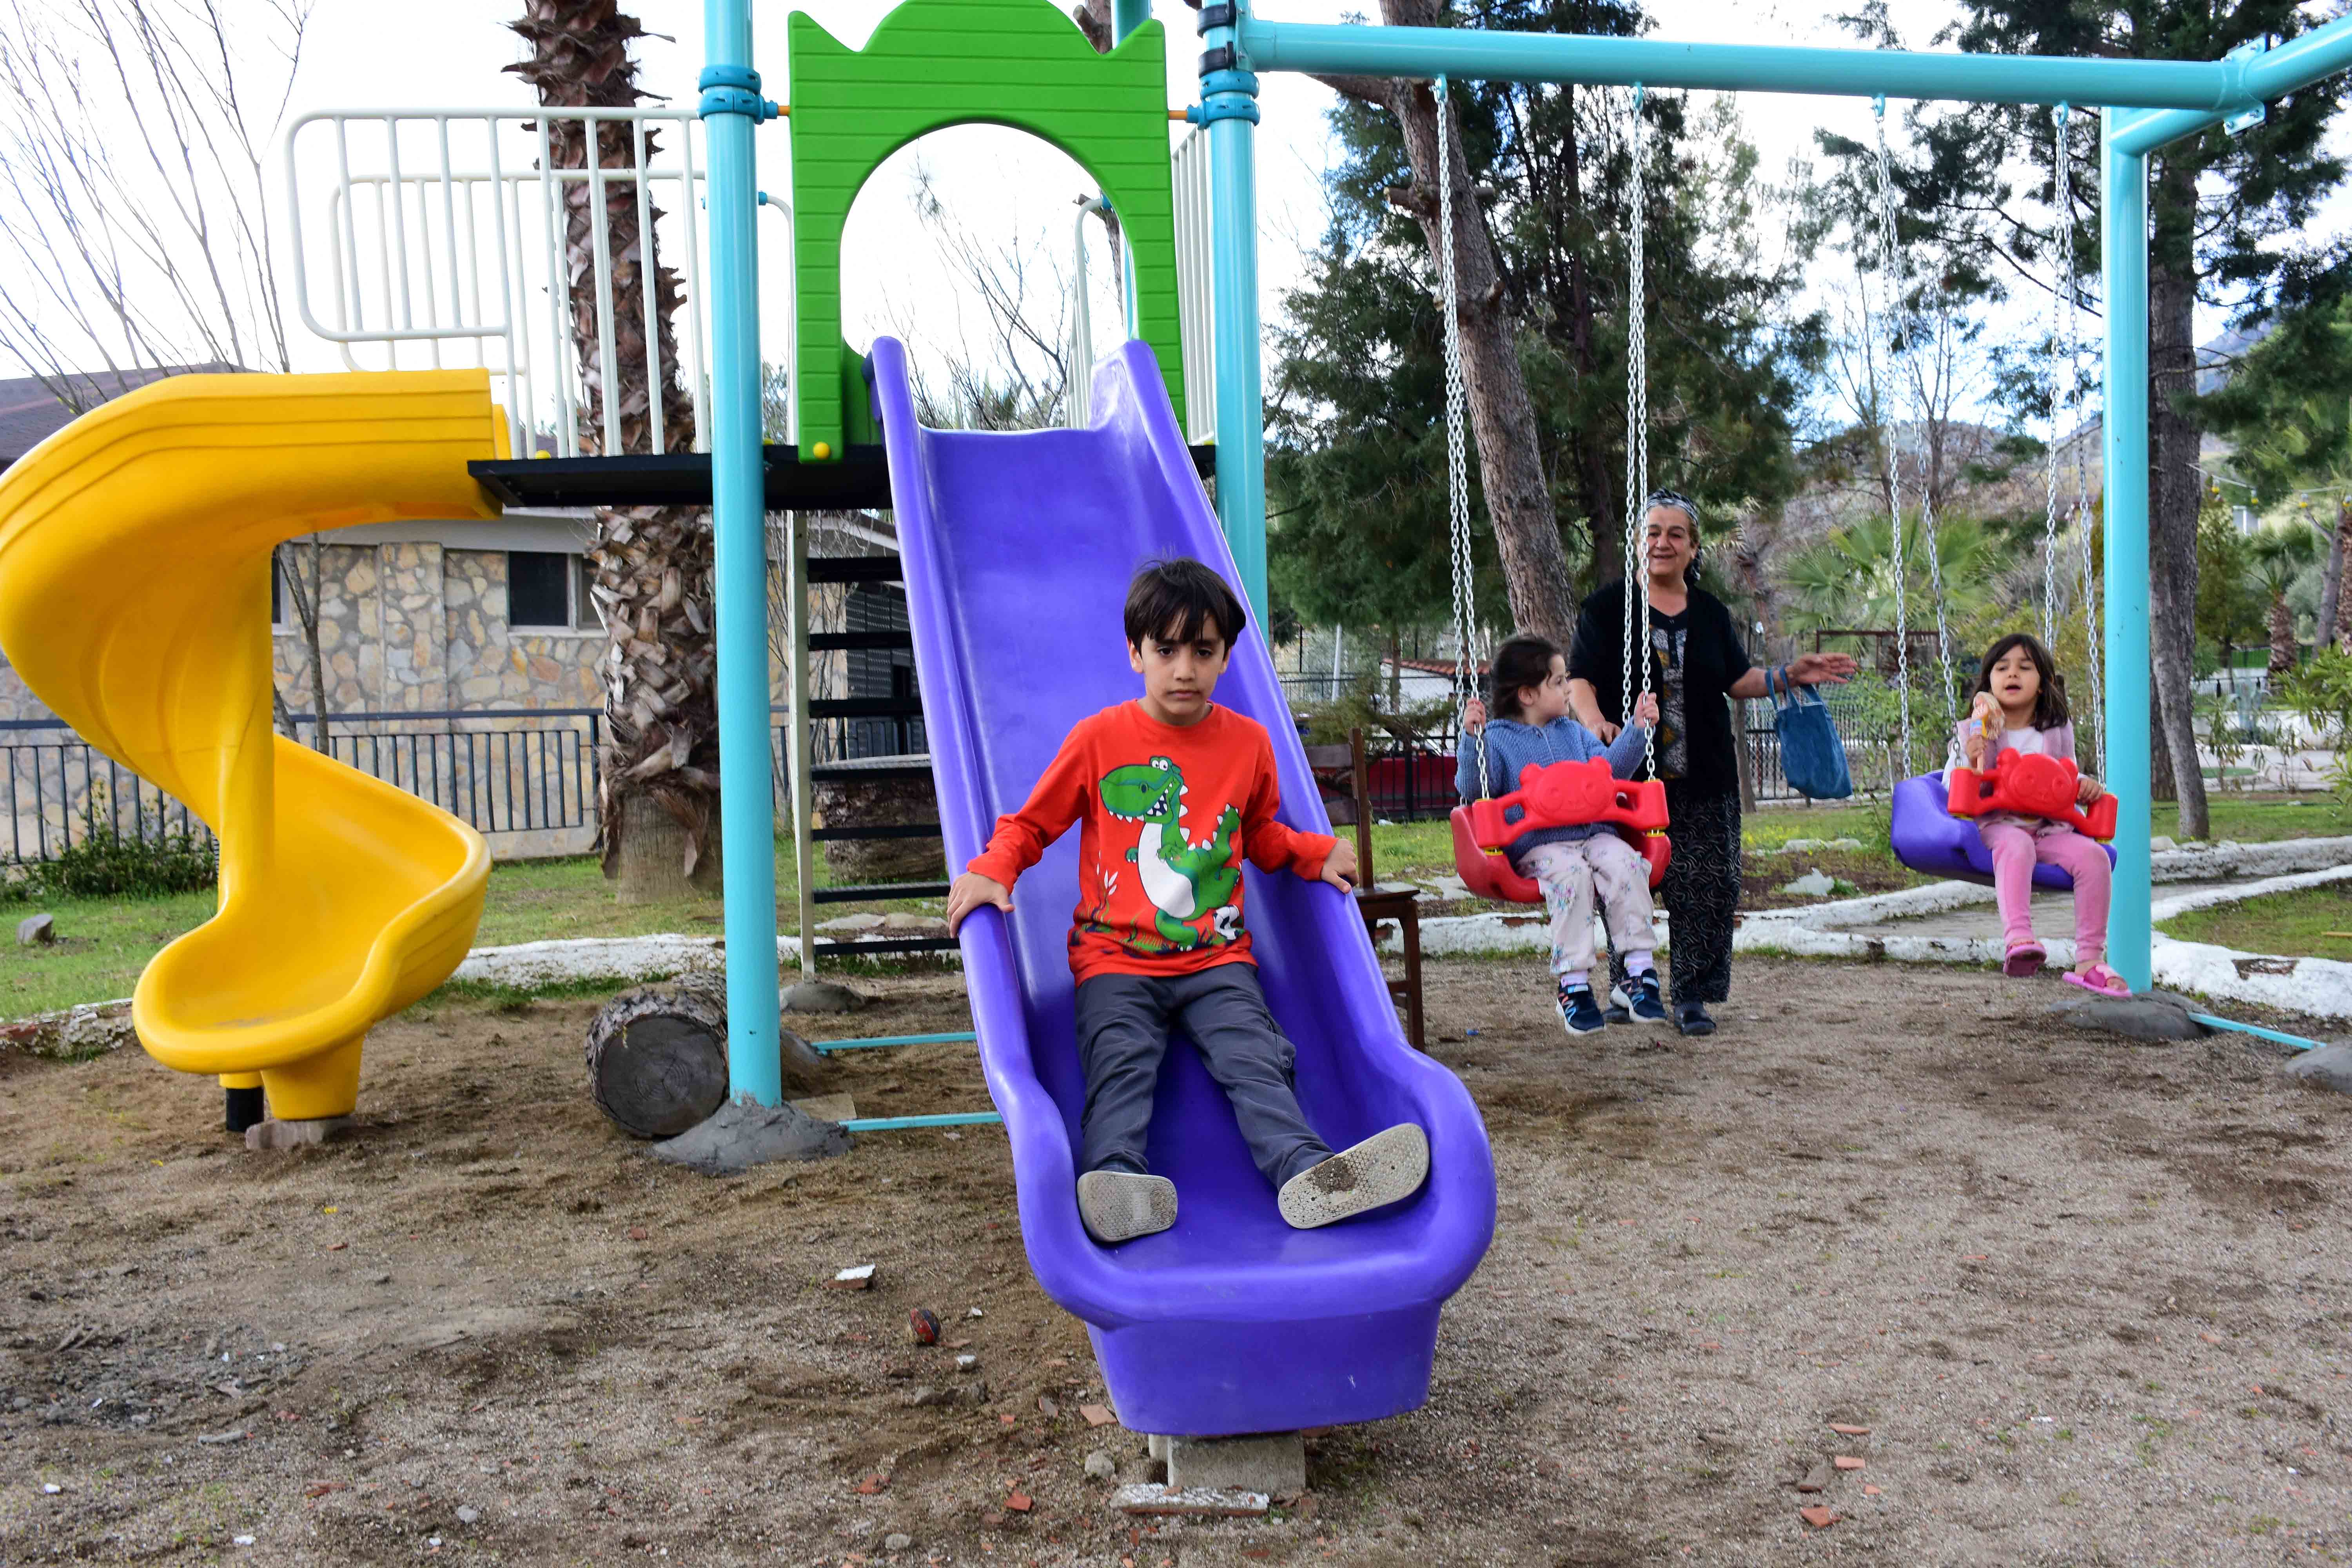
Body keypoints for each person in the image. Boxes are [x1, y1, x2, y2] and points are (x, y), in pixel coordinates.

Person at [943, 557, 1431, 1245]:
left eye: (1202, 651)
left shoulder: (1248, 745)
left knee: (1255, 1059)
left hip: (1215, 958)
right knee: (1119, 1064)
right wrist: (995, 870)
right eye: (1166, 650)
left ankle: (1309, 1174)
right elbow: (1032, 824)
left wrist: (1313, 853)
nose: (1183, 670)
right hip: (1116, 959)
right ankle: (1116, 1184)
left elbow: (1259, 835)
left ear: (1227, 656)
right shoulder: (1098, 741)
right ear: (1134, 652)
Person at [1566, 491, 1857, 1037]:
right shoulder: (1607, 608)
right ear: (1638, 542)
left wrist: (1788, 675)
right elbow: (1579, 676)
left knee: (1708, 886)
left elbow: (1737, 681)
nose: (1663, 543)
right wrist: (1595, 722)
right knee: (1623, 881)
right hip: (1630, 776)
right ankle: (1630, 987)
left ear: (1694, 547)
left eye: (1677, 534)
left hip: (1705, 774)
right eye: (1653, 532)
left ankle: (1692, 996)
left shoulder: (1712, 614)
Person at [1458, 634, 1666, 1034]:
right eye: (1557, 681)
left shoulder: (1573, 734)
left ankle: (1637, 974)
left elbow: (1612, 773)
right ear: (1527, 694)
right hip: (1541, 846)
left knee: (1627, 863)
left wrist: (1638, 730)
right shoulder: (1496, 739)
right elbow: (1472, 789)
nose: (1568, 688)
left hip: (1594, 835)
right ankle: (1573, 985)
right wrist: (1471, 740)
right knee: (1572, 874)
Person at [1953, 632, 2122, 996]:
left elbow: (2067, 775)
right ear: (1989, 684)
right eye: (2002, 668)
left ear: (2043, 685)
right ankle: (2018, 940)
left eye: (2024, 668)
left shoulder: (2057, 729)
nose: (2012, 674)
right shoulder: (1975, 731)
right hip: (1999, 825)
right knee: (2017, 846)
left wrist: (2085, 785)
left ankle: (2090, 960)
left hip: (2050, 829)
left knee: (2095, 857)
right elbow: (1959, 779)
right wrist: (1969, 756)